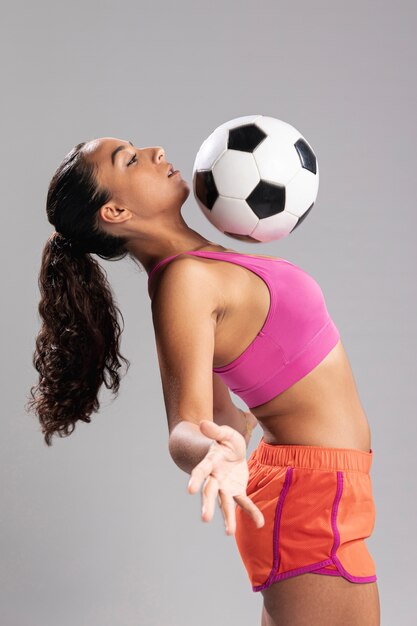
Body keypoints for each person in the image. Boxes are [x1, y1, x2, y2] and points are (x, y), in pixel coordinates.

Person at [27, 137, 380, 625]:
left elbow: (224, 416)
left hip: (325, 484)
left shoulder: (202, 265)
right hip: (311, 499)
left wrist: (234, 436)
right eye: (129, 160)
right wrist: (209, 454)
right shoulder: (184, 282)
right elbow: (186, 426)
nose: (154, 151)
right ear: (115, 211)